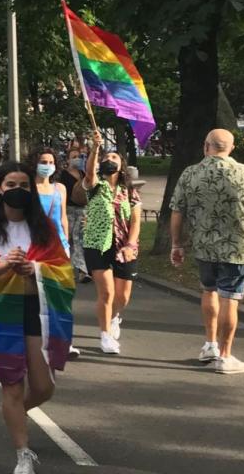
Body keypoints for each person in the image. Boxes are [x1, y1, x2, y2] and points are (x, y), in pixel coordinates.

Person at [0, 161, 74, 474]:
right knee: (12, 385)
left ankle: (13, 413)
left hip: (36, 310)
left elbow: (65, 270)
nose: (17, 191)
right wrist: (7, 264)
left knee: (44, 387)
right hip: (2, 309)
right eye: (11, 185)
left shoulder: (42, 226)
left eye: (24, 186)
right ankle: (23, 453)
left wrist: (37, 269)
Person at [171, 129, 244, 374]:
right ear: (231, 148)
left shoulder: (191, 173)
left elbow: (177, 211)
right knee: (230, 299)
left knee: (209, 291)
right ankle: (225, 356)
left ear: (206, 146)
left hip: (204, 246)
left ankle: (210, 344)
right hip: (237, 248)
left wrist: (176, 243)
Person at [83, 130, 141, 355]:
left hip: (124, 246)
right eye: (106, 157)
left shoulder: (129, 191)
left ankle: (115, 316)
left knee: (122, 296)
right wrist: (96, 148)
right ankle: (105, 336)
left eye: (114, 157)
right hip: (97, 244)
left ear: (122, 165)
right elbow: (89, 173)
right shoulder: (95, 186)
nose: (109, 159)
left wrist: (131, 245)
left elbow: (136, 220)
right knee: (106, 293)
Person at [59, 148, 90, 284]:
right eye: (74, 156)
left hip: (83, 210)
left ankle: (83, 271)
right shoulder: (62, 175)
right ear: (68, 160)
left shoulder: (84, 174)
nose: (77, 159)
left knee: (80, 238)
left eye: (79, 156)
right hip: (68, 210)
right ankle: (69, 270)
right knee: (70, 239)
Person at [31, 148, 69, 255]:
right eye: (43, 162)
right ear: (35, 164)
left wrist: (66, 241)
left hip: (59, 244)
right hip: (35, 244)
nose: (48, 165)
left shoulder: (60, 188)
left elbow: (63, 218)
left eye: (51, 163)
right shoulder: (29, 189)